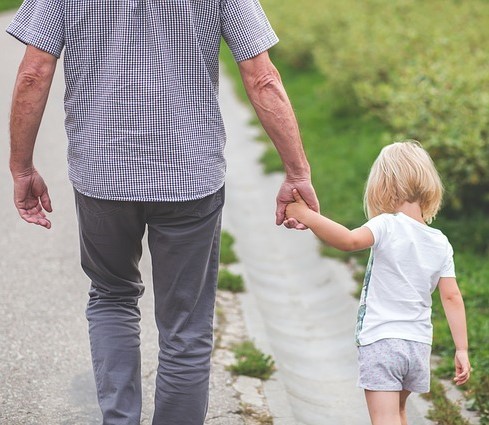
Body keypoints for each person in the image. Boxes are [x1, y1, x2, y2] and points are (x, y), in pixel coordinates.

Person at [7, 1, 318, 424]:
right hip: (190, 176)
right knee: (186, 328)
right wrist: (297, 171)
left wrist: (22, 167)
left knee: (112, 298)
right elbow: (262, 78)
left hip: (102, 173)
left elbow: (33, 73)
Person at [285, 140, 470, 425]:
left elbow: (348, 241)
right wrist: (462, 349)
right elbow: (452, 297)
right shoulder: (440, 242)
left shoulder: (386, 224)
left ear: (383, 186)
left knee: (385, 419)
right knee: (398, 414)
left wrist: (308, 216)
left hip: (383, 342)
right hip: (418, 346)